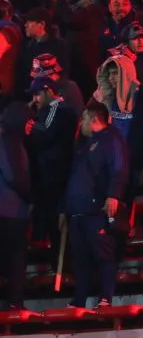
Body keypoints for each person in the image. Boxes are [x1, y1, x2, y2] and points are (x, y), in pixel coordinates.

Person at [63, 102, 129, 308]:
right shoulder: (83, 144)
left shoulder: (112, 139)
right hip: (77, 210)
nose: (80, 123)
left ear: (93, 119)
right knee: (81, 257)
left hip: (97, 209)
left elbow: (119, 169)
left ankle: (105, 297)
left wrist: (113, 195)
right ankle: (80, 298)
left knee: (103, 254)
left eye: (83, 118)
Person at [27, 76, 77, 271]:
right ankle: (57, 262)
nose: (35, 99)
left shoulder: (58, 108)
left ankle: (62, 264)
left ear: (49, 91)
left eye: (37, 94)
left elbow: (45, 132)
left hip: (56, 174)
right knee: (51, 219)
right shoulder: (48, 110)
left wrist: (28, 122)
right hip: (49, 173)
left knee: (58, 220)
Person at [0, 102, 32, 311]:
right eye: (28, 120)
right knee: (16, 256)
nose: (31, 125)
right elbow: (13, 175)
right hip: (10, 210)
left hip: (8, 209)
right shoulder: (8, 140)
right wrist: (29, 195)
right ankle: (15, 302)